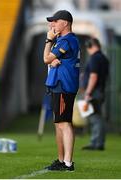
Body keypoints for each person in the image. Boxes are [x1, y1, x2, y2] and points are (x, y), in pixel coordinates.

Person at [43, 10, 80, 171]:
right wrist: (53, 59)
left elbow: (46, 59)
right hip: (59, 85)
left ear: (65, 23)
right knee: (59, 123)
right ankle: (61, 160)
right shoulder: (62, 40)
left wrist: (48, 40)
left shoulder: (67, 40)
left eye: (55, 21)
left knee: (64, 124)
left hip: (64, 85)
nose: (52, 24)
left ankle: (68, 163)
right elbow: (50, 60)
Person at [81, 37, 109, 150]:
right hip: (100, 90)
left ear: (90, 46)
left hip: (94, 92)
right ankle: (98, 142)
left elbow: (93, 76)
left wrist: (88, 92)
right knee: (97, 117)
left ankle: (96, 143)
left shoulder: (94, 58)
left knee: (95, 118)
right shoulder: (103, 58)